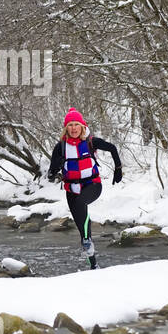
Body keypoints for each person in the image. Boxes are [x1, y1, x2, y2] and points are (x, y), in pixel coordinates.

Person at [46, 108, 122, 268]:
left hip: (92, 185)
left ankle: (87, 242)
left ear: (82, 126)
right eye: (70, 125)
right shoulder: (60, 147)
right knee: (83, 229)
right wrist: (55, 168)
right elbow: (51, 173)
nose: (73, 128)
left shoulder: (90, 142)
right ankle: (93, 265)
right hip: (71, 190)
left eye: (76, 124)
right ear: (66, 128)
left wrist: (118, 169)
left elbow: (113, 148)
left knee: (82, 205)